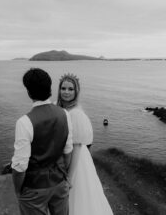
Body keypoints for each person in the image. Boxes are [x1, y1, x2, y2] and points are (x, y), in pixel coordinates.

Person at [12, 68, 73, 215]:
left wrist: (18, 190)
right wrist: (64, 176)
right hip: (59, 182)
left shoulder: (24, 122)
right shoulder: (64, 114)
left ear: (28, 92)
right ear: (50, 88)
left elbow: (20, 166)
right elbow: (68, 151)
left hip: (34, 188)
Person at [57, 73, 114, 215]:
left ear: (76, 92)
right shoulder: (58, 109)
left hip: (76, 162)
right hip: (61, 158)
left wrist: (70, 177)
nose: (66, 92)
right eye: (63, 88)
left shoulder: (76, 114)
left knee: (77, 201)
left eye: (70, 89)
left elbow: (77, 147)